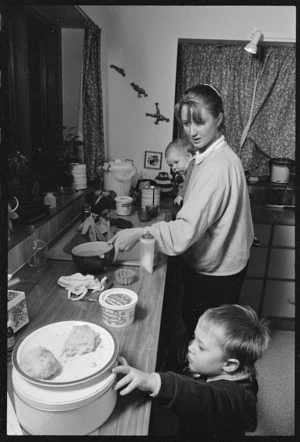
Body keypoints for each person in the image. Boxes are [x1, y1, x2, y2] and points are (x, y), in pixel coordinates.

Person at [108, 84, 254, 338]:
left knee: (206, 336)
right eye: (186, 124)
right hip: (225, 264)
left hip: (217, 272)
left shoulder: (217, 166)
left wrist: (139, 233)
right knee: (204, 332)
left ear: (219, 118)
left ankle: (194, 375)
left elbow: (185, 231)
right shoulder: (210, 156)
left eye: (199, 122)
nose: (192, 132)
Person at [112, 304, 270, 437]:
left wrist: (152, 381)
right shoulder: (235, 368)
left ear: (229, 365)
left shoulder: (233, 397)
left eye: (201, 347)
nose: (190, 346)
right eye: (194, 337)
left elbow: (201, 395)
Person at [165, 138, 195, 205]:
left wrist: (181, 195)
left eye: (176, 162)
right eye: (171, 165)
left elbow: (188, 181)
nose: (174, 167)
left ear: (188, 156)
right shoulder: (186, 169)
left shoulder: (192, 165)